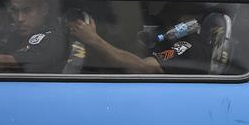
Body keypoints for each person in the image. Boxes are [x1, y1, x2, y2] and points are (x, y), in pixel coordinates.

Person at [65, 9, 217, 75]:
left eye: (177, 14)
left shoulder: (185, 45)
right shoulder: (169, 39)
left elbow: (143, 67)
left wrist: (94, 40)